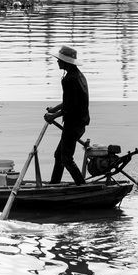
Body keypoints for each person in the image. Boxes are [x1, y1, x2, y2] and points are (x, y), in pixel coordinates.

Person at [44, 45, 89, 185]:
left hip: (73, 124)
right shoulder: (78, 75)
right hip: (80, 123)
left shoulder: (69, 79)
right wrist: (53, 109)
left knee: (66, 158)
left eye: (59, 60)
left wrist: (53, 116)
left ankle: (82, 187)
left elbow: (70, 107)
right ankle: (54, 184)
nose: (57, 62)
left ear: (65, 62)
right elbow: (69, 102)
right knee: (59, 155)